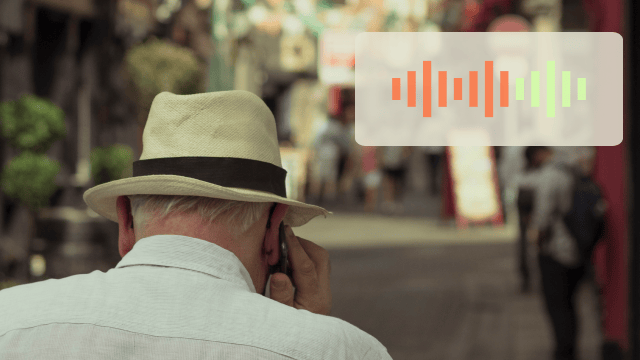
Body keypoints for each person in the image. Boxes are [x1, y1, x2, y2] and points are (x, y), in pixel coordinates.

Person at [0, 91, 392, 359]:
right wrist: (309, 337)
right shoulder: (347, 351)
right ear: (274, 232)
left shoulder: (9, 322)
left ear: (125, 221)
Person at [527, 146, 600, 360]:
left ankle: (563, 351)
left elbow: (542, 217)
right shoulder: (577, 171)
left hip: (557, 249)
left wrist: (537, 244)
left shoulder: (550, 176)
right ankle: (570, 349)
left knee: (558, 306)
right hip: (581, 246)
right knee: (571, 304)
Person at [513, 146, 549, 293]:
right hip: (529, 216)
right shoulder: (527, 176)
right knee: (527, 248)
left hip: (539, 218)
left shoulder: (544, 174)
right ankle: (528, 278)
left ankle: (539, 278)